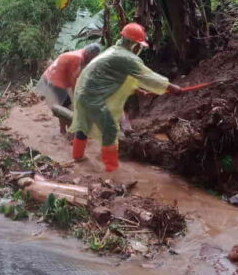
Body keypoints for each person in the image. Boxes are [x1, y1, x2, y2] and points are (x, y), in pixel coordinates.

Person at [69, 23, 182, 172]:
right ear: (134, 44)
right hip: (93, 97)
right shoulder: (127, 58)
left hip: (83, 93)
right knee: (109, 128)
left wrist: (138, 90)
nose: (139, 48)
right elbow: (148, 77)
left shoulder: (114, 51)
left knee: (84, 124)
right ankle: (111, 168)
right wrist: (172, 87)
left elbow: (114, 77)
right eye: (138, 45)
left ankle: (77, 156)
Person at [36, 43, 103, 133]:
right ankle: (68, 132)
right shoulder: (77, 58)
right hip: (54, 81)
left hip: (52, 79)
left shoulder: (80, 54)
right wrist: (77, 100)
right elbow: (73, 82)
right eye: (93, 58)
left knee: (64, 106)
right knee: (67, 108)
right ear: (89, 55)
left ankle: (63, 130)